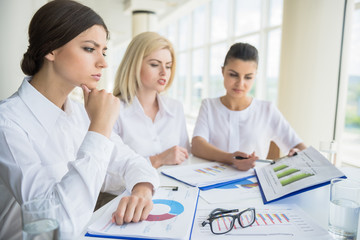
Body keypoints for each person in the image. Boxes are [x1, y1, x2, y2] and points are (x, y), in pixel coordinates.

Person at [0, 1, 159, 239]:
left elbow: (132, 163)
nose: (103, 62)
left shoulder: (81, 113)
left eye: (103, 51)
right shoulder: (8, 123)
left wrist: (142, 189)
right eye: (89, 49)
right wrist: (100, 128)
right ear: (51, 49)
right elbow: (56, 223)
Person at [191, 42, 306, 171]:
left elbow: (300, 148)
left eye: (248, 77)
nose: (240, 83)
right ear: (223, 71)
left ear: (255, 76)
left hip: (253, 185)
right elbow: (197, 145)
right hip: (211, 182)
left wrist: (297, 153)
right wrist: (230, 158)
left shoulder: (267, 110)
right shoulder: (209, 106)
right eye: (233, 75)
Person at [112, 32, 190, 169]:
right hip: (133, 190)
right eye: (155, 64)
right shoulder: (114, 110)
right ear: (134, 65)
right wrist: (158, 160)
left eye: (168, 66)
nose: (164, 73)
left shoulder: (175, 108)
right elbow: (110, 172)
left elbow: (185, 157)